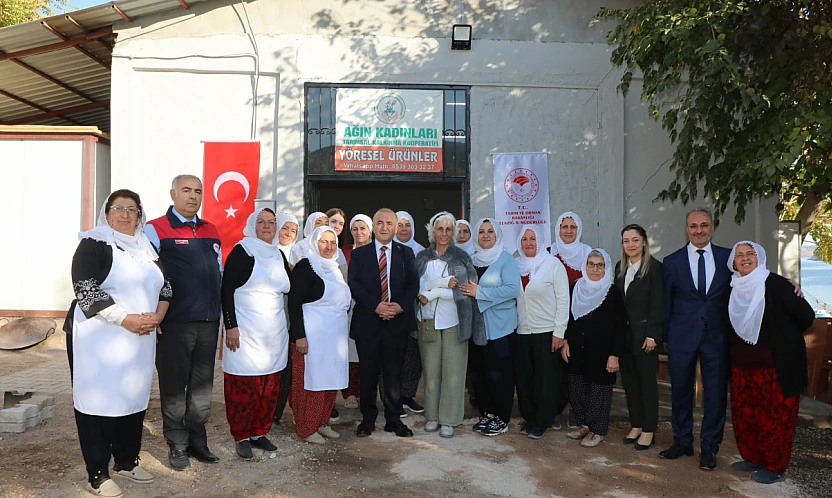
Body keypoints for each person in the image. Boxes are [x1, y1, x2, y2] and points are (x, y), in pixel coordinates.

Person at [69, 189, 171, 497]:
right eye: (118, 208)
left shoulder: (146, 247)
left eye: (132, 209)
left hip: (140, 339)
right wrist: (127, 320)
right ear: (107, 212)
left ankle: (127, 460)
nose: (125, 214)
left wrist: (158, 316)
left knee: (133, 399)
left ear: (140, 214)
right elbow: (85, 288)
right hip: (100, 340)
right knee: (98, 402)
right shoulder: (94, 243)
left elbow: (165, 286)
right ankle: (97, 473)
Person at [146, 175, 222, 471]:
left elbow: (220, 272)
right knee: (174, 387)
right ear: (173, 194)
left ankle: (197, 440)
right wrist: (155, 314)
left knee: (202, 387)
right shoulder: (155, 229)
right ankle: (177, 443)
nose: (193, 196)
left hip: (208, 321)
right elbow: (148, 275)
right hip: (174, 323)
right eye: (187, 191)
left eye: (198, 191)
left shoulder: (211, 229)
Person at [726, 241, 814, 484]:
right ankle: (754, 457)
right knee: (747, 416)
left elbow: (806, 316)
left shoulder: (776, 284)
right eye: (739, 255)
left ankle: (775, 466)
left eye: (750, 254)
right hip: (742, 367)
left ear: (760, 257)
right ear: (733, 262)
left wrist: (785, 336)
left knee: (776, 419)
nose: (745, 259)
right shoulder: (732, 287)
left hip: (777, 367)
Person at [658, 208, 733, 470]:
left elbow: (751, 280)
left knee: (715, 395)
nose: (699, 230)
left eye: (704, 225)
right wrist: (664, 337)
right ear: (686, 228)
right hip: (681, 337)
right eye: (693, 226)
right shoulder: (672, 261)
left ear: (712, 226)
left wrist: (787, 283)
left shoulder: (728, 258)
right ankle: (682, 441)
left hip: (717, 337)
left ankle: (710, 448)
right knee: (680, 391)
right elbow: (666, 302)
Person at [221, 208, 292, 459]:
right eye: (261, 222)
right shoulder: (243, 251)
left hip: (274, 333)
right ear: (252, 225)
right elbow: (226, 290)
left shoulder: (278, 254)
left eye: (271, 223)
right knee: (244, 386)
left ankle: (259, 432)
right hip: (245, 332)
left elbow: (289, 289)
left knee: (269, 386)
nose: (267, 227)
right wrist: (231, 326)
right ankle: (241, 436)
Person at [349, 208, 420, 438]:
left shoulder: (406, 253)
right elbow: (355, 284)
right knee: (368, 375)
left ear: (396, 226)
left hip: (396, 324)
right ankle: (367, 421)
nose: (384, 227)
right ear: (373, 226)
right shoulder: (359, 254)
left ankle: (393, 420)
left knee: (393, 375)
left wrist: (399, 307)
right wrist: (376, 306)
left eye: (389, 223)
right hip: (368, 323)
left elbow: (413, 285)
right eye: (379, 222)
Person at [414, 212, 481, 438]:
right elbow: (415, 289)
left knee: (453, 372)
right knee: (431, 372)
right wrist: (433, 291)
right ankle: (432, 415)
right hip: (428, 321)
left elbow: (464, 292)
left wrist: (433, 293)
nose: (444, 234)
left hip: (454, 321)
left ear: (454, 232)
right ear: (432, 231)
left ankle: (449, 419)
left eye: (448, 229)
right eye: (439, 229)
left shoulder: (461, 258)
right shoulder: (422, 257)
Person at [288, 227, 351, 444]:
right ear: (314, 242)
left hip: (334, 338)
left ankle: (322, 422)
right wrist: (300, 336)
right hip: (313, 337)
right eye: (324, 242)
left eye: (332, 242)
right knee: (312, 383)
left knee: (331, 381)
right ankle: (307, 428)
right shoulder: (307, 266)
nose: (329, 246)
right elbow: (294, 303)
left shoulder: (334, 268)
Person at [460, 218, 521, 437]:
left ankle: (502, 418)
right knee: (479, 373)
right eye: (482, 232)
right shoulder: (470, 260)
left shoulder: (506, 260)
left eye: (490, 232)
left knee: (499, 375)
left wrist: (481, 294)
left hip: (501, 328)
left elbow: (513, 289)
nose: (486, 236)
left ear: (498, 236)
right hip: (476, 329)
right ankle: (487, 414)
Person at [561, 249, 626, 448]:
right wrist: (565, 341)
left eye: (600, 265)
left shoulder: (612, 292)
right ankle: (584, 425)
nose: (595, 269)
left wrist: (615, 354)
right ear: (585, 265)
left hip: (602, 352)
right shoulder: (576, 287)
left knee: (599, 391)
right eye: (591, 264)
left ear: (606, 268)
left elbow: (620, 326)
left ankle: (597, 430)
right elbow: (568, 317)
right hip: (577, 349)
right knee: (577, 388)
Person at [514, 225, 570, 440]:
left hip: (547, 331)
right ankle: (529, 418)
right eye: (525, 239)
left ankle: (543, 421)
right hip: (522, 331)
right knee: (526, 379)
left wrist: (559, 332)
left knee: (546, 380)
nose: (529, 243)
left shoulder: (552, 264)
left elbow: (563, 300)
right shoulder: (516, 265)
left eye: (533, 239)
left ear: (541, 241)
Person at [614, 224, 664, 451]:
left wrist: (653, 335)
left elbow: (658, 304)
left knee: (647, 386)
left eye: (635, 240)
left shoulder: (654, 268)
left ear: (644, 242)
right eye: (626, 241)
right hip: (625, 338)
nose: (630, 245)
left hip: (645, 338)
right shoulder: (619, 268)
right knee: (630, 385)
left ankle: (649, 429)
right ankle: (636, 424)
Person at [385, 210, 425, 415]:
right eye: (399, 225)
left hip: (414, 312)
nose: (403, 229)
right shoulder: (385, 250)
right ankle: (392, 400)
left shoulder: (422, 252)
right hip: (390, 312)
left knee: (412, 357)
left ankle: (407, 395)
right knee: (391, 358)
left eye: (407, 225)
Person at [341, 214, 373, 410]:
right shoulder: (344, 252)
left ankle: (365, 393)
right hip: (347, 309)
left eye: (363, 228)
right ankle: (350, 392)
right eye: (355, 229)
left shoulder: (378, 252)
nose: (359, 232)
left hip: (371, 308)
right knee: (349, 352)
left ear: (370, 230)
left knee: (367, 354)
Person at [272, 212, 300, 428]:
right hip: (272, 316)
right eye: (285, 228)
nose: (289, 233)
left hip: (292, 319)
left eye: (293, 230)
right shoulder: (269, 252)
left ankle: (278, 412)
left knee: (287, 366)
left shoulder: (300, 253)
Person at [548, 211, 592, 287]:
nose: (569, 231)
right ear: (558, 229)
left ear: (578, 230)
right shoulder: (549, 253)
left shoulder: (588, 253)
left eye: (573, 227)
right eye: (565, 227)